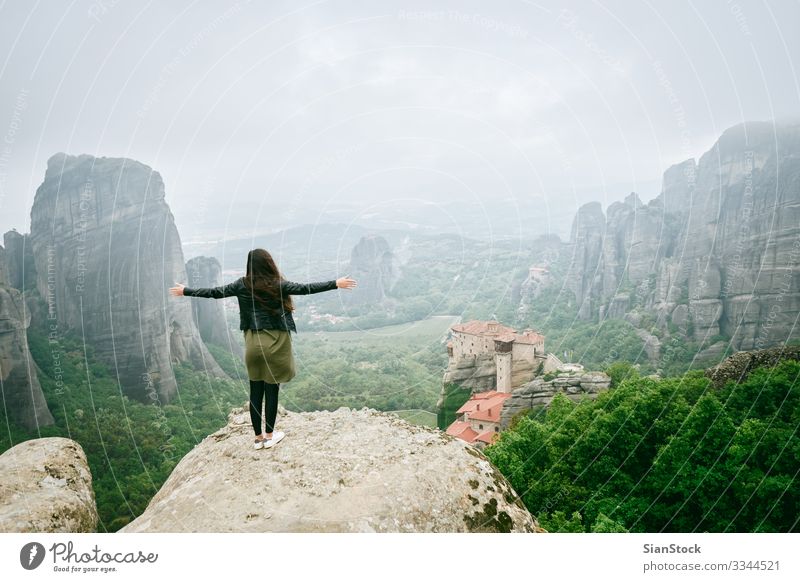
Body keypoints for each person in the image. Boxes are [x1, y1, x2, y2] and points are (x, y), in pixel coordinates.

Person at [169, 249, 357, 450]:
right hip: (276, 343)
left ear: (249, 266)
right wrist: (336, 283)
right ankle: (269, 435)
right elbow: (305, 288)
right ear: (269, 264)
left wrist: (186, 290)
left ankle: (258, 439)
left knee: (255, 392)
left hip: (252, 345)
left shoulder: (241, 284)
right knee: (272, 390)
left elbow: (215, 293)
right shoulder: (278, 285)